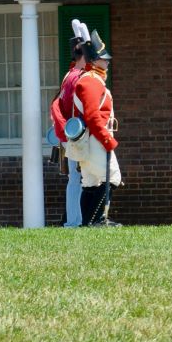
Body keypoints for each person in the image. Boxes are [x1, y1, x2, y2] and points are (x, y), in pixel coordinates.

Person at [69, 27, 121, 227]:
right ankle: (98, 219)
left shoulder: (93, 80)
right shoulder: (90, 82)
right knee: (113, 177)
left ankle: (88, 222)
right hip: (96, 137)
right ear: (94, 60)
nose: (107, 62)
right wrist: (107, 140)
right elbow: (92, 116)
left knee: (91, 182)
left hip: (94, 136)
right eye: (103, 59)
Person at [50, 18, 88, 227]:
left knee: (76, 178)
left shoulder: (70, 74)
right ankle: (75, 221)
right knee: (78, 179)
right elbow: (79, 108)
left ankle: (76, 220)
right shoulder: (79, 77)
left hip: (70, 133)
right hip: (77, 134)